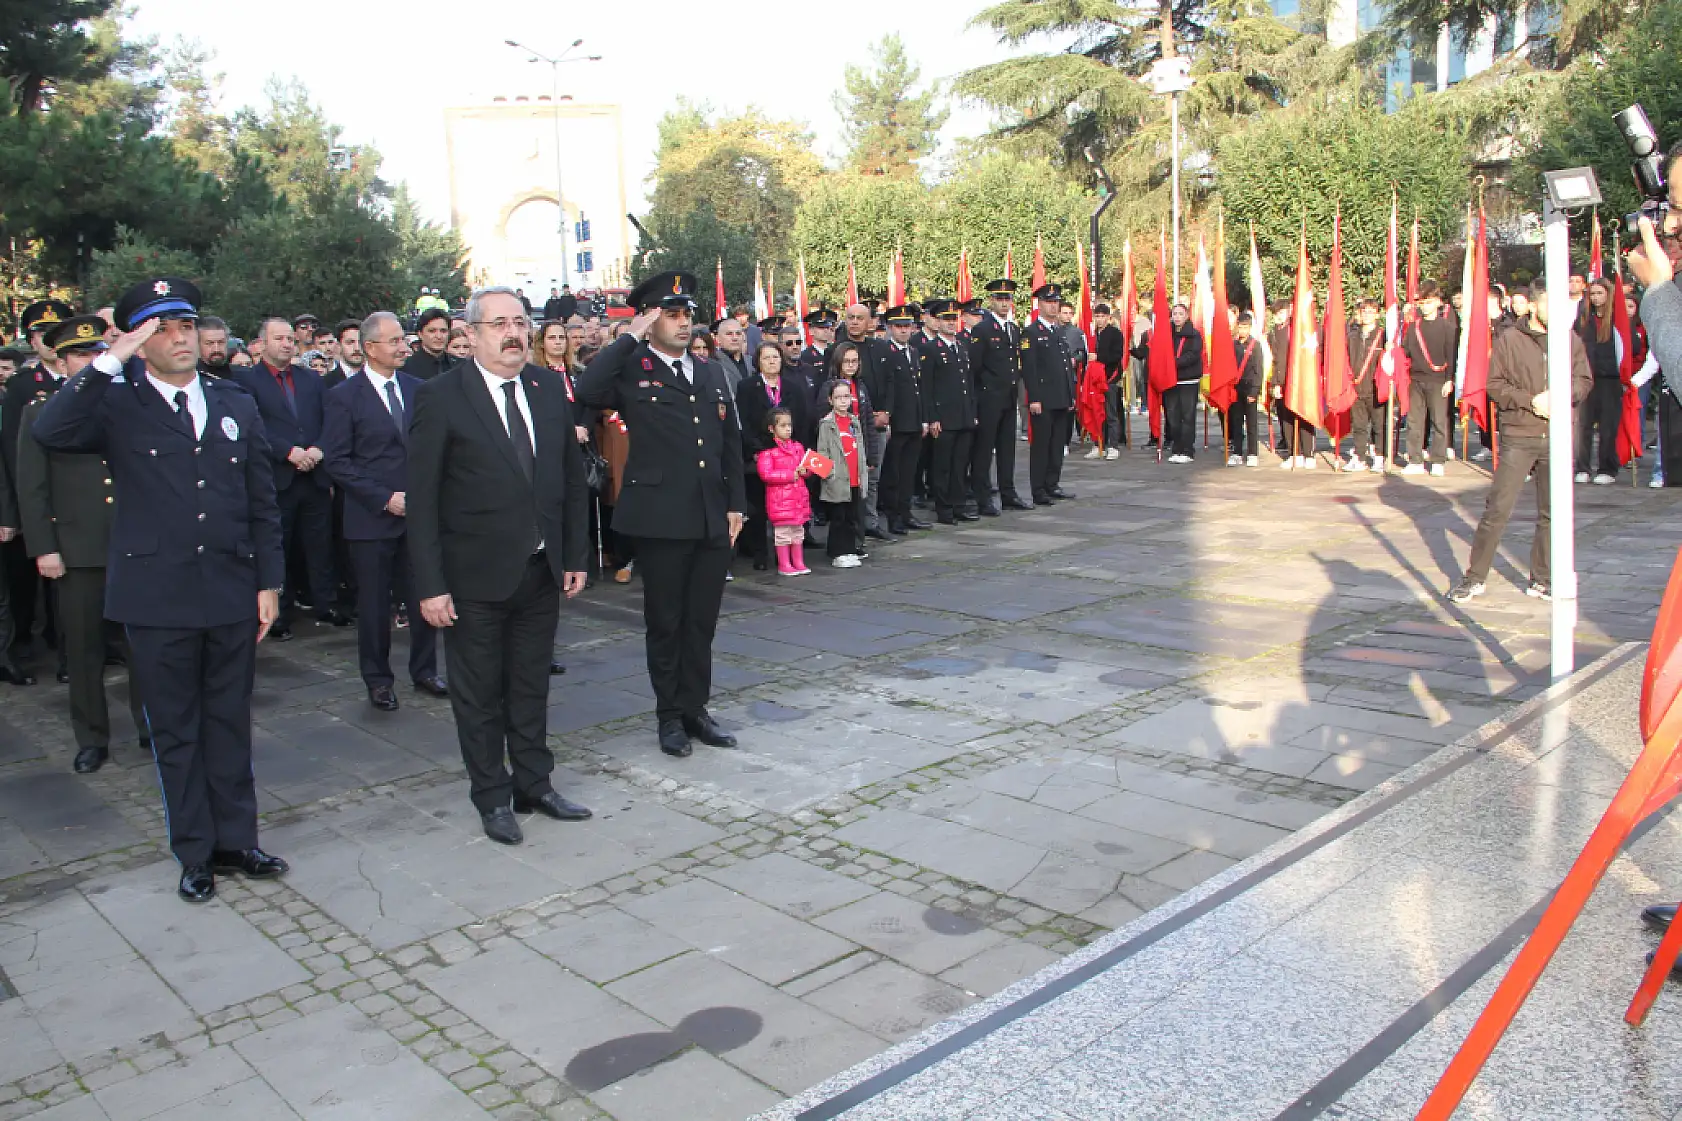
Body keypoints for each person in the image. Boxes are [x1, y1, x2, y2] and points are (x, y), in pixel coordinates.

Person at [34, 277, 288, 903]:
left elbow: (262, 499)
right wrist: (110, 358)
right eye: (161, 329)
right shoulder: (117, 404)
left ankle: (237, 840)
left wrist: (270, 581)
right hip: (157, 596)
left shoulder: (234, 402)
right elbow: (50, 430)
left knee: (229, 723)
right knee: (175, 729)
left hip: (230, 587)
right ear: (141, 339)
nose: (179, 338)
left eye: (184, 326)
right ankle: (196, 852)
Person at [407, 287, 592, 845]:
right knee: (479, 693)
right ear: (472, 334)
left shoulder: (544, 387)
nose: (513, 334)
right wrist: (431, 586)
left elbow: (568, 481)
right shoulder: (441, 396)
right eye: (499, 324)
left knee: (531, 684)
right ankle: (492, 796)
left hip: (539, 572)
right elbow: (423, 499)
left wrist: (574, 556)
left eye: (520, 322)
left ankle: (535, 784)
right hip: (472, 579)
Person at [576, 271, 745, 760]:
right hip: (661, 515)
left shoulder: (709, 370)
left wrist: (736, 504)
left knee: (702, 621)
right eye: (669, 314)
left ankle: (696, 708)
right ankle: (669, 715)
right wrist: (628, 336)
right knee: (666, 621)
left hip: (712, 514)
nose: (681, 321)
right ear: (650, 319)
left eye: (686, 313)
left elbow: (729, 440)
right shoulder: (633, 367)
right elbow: (588, 390)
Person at [14, 315, 149, 770]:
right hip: (78, 548)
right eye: (80, 355)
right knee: (84, 649)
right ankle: (92, 737)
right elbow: (31, 487)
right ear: (63, 360)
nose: (90, 360)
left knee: (143, 644)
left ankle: (151, 724)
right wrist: (44, 547)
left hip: (131, 542)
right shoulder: (40, 411)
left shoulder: (125, 402)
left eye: (96, 352)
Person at [320, 311, 447, 711]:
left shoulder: (417, 388)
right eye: (393, 341)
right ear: (369, 347)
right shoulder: (344, 396)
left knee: (423, 594)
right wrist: (382, 497)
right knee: (374, 605)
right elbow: (338, 461)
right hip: (370, 518)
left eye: (402, 340)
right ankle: (377, 679)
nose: (402, 347)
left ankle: (425, 669)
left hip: (418, 516)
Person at [1450, 278, 1592, 604]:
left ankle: (1541, 578)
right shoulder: (1510, 340)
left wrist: (1563, 395)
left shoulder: (1569, 340)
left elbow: (1584, 380)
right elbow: (1495, 386)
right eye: (1548, 305)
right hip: (1520, 434)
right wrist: (1531, 401)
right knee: (1497, 508)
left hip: (1556, 434)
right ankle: (1475, 577)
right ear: (1533, 305)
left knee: (1552, 512)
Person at [228, 318, 349, 639]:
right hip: (277, 475)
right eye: (278, 338)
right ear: (262, 343)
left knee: (319, 542)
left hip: (314, 474)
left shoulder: (310, 379)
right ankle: (279, 613)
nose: (286, 344)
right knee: (278, 543)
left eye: (290, 339)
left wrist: (319, 449)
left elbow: (330, 419)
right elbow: (252, 425)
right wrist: (287, 452)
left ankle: (326, 603)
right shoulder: (247, 382)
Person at [2, 299, 74, 674]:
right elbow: (14, 452)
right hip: (35, 497)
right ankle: (24, 644)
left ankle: (68, 652)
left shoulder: (88, 380)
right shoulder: (22, 386)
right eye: (41, 334)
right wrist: (16, 511)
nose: (49, 339)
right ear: (31, 341)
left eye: (56, 332)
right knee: (27, 583)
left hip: (78, 502)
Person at [737, 341, 813, 571]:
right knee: (759, 506)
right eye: (767, 358)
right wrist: (759, 450)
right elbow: (744, 422)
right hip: (760, 454)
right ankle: (760, 553)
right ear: (758, 361)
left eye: (776, 357)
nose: (772, 362)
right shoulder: (747, 387)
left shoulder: (792, 387)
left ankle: (794, 554)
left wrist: (797, 450)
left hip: (789, 455)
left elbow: (802, 420)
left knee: (791, 504)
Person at [968, 279, 1029, 514]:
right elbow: (975, 367)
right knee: (984, 450)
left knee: (1007, 448)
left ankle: (1008, 492)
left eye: (1008, 299)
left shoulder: (1012, 329)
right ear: (992, 301)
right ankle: (982, 497)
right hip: (988, 398)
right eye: (1000, 299)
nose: (1005, 303)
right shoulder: (982, 329)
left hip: (1008, 396)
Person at [919, 299, 977, 524]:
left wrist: (972, 412)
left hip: (963, 416)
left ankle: (959, 505)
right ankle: (944, 509)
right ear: (937, 321)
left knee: (960, 465)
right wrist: (932, 417)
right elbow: (928, 387)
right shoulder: (931, 349)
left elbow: (968, 384)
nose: (951, 323)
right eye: (946, 319)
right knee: (942, 466)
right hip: (943, 418)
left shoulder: (961, 347)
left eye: (954, 319)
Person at [876, 306, 929, 536]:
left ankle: (906, 513)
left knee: (909, 472)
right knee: (893, 474)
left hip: (914, 422)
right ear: (889, 328)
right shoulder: (885, 352)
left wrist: (925, 419)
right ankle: (893, 516)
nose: (904, 330)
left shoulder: (914, 352)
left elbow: (921, 389)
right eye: (899, 326)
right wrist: (886, 419)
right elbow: (887, 389)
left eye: (907, 326)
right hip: (896, 423)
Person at [1022, 284, 1076, 502]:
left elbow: (1065, 367)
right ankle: (1038, 489)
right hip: (1043, 399)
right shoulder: (1032, 332)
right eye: (1049, 303)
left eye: (1056, 303)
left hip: (1061, 398)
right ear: (1039, 304)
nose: (1053, 307)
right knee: (1042, 446)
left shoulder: (1059, 331)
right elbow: (1029, 368)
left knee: (1057, 445)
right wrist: (1033, 398)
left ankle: (1052, 483)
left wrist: (1070, 395)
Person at [1402, 280, 1457, 476]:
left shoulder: (1447, 327)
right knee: (1414, 421)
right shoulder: (1413, 327)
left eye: (1428, 302)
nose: (1425, 306)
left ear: (1438, 302)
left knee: (1439, 422)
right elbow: (1405, 351)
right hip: (1416, 380)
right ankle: (1415, 459)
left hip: (1438, 380)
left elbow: (1451, 356)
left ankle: (1438, 460)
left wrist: (1450, 379)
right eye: (1422, 303)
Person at [1574, 277, 1623, 485]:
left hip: (1610, 380)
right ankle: (1582, 467)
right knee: (1582, 425)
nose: (1595, 298)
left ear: (1608, 294)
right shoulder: (1585, 318)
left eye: (1599, 293)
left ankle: (1607, 468)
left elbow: (1629, 348)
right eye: (1592, 294)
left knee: (1607, 426)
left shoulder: (1617, 320)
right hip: (1587, 378)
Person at [816, 378, 866, 567]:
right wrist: (829, 474)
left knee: (852, 516)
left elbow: (859, 447)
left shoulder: (854, 421)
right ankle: (838, 552)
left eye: (846, 396)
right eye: (838, 397)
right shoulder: (826, 424)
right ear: (830, 400)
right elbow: (822, 452)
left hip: (854, 477)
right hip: (837, 478)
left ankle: (849, 549)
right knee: (839, 518)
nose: (843, 401)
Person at [755, 407, 812, 576]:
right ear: (771, 428)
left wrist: (806, 471)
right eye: (783, 425)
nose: (788, 429)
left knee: (798, 532)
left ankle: (798, 561)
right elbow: (766, 474)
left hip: (798, 498)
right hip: (780, 501)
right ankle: (784, 563)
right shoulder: (768, 452)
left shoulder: (798, 447)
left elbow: (808, 467)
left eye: (790, 425)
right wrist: (790, 475)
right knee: (782, 534)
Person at [1346, 298, 1386, 471]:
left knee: (1378, 425)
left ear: (1377, 314)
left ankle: (1379, 456)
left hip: (1375, 388)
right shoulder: (1352, 337)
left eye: (1371, 312)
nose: (1367, 315)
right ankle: (1360, 456)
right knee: (1359, 426)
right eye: (1364, 312)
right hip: (1356, 387)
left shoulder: (1383, 336)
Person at [1163, 303, 1204, 464]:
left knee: (1187, 416)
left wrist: (1174, 363)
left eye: (1180, 314)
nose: (1177, 317)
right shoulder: (1168, 334)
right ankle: (1177, 447)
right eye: (1175, 314)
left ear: (1186, 316)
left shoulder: (1194, 335)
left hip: (1188, 379)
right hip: (1171, 380)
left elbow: (1193, 355)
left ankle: (1187, 449)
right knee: (1173, 415)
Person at [1227, 311, 1264, 467]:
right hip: (1235, 387)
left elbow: (1258, 370)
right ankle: (1237, 452)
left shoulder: (1255, 345)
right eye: (1240, 327)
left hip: (1249, 387)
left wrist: (1254, 391)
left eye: (1245, 327)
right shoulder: (1233, 344)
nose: (1242, 330)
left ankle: (1252, 453)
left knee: (1251, 422)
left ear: (1250, 328)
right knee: (1236, 421)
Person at [1095, 302, 1127, 457]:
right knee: (1097, 413)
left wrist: (1098, 358)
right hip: (1094, 379)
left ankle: (1113, 445)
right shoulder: (1093, 334)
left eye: (1103, 317)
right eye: (1097, 316)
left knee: (1111, 413)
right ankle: (1098, 444)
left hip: (1109, 378)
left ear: (1108, 318)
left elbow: (1116, 356)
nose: (1099, 320)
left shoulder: (1115, 333)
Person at [403, 308, 456, 381]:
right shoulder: (406, 368)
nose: (439, 336)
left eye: (443, 331)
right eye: (432, 331)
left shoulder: (461, 365)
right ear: (420, 334)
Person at [324, 320, 363, 389]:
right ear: (338, 346)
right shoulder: (325, 383)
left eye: (360, 342)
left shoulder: (377, 379)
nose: (357, 348)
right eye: (350, 342)